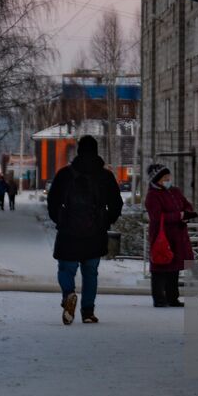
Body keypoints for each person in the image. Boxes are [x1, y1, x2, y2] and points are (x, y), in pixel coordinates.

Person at [47, 136, 123, 325]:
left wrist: (60, 220)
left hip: (68, 233)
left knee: (66, 269)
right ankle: (88, 312)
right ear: (96, 151)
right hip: (95, 233)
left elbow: (52, 201)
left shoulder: (65, 174)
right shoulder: (105, 176)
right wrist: (106, 222)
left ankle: (69, 296)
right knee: (90, 273)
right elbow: (116, 203)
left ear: (79, 151)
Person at [144, 163, 196, 307]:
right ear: (157, 180)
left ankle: (173, 298)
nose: (168, 180)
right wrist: (178, 215)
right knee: (160, 267)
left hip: (178, 235)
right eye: (165, 178)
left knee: (174, 268)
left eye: (169, 177)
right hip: (162, 236)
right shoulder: (152, 196)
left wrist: (187, 213)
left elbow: (187, 204)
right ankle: (159, 298)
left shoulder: (175, 191)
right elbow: (157, 216)